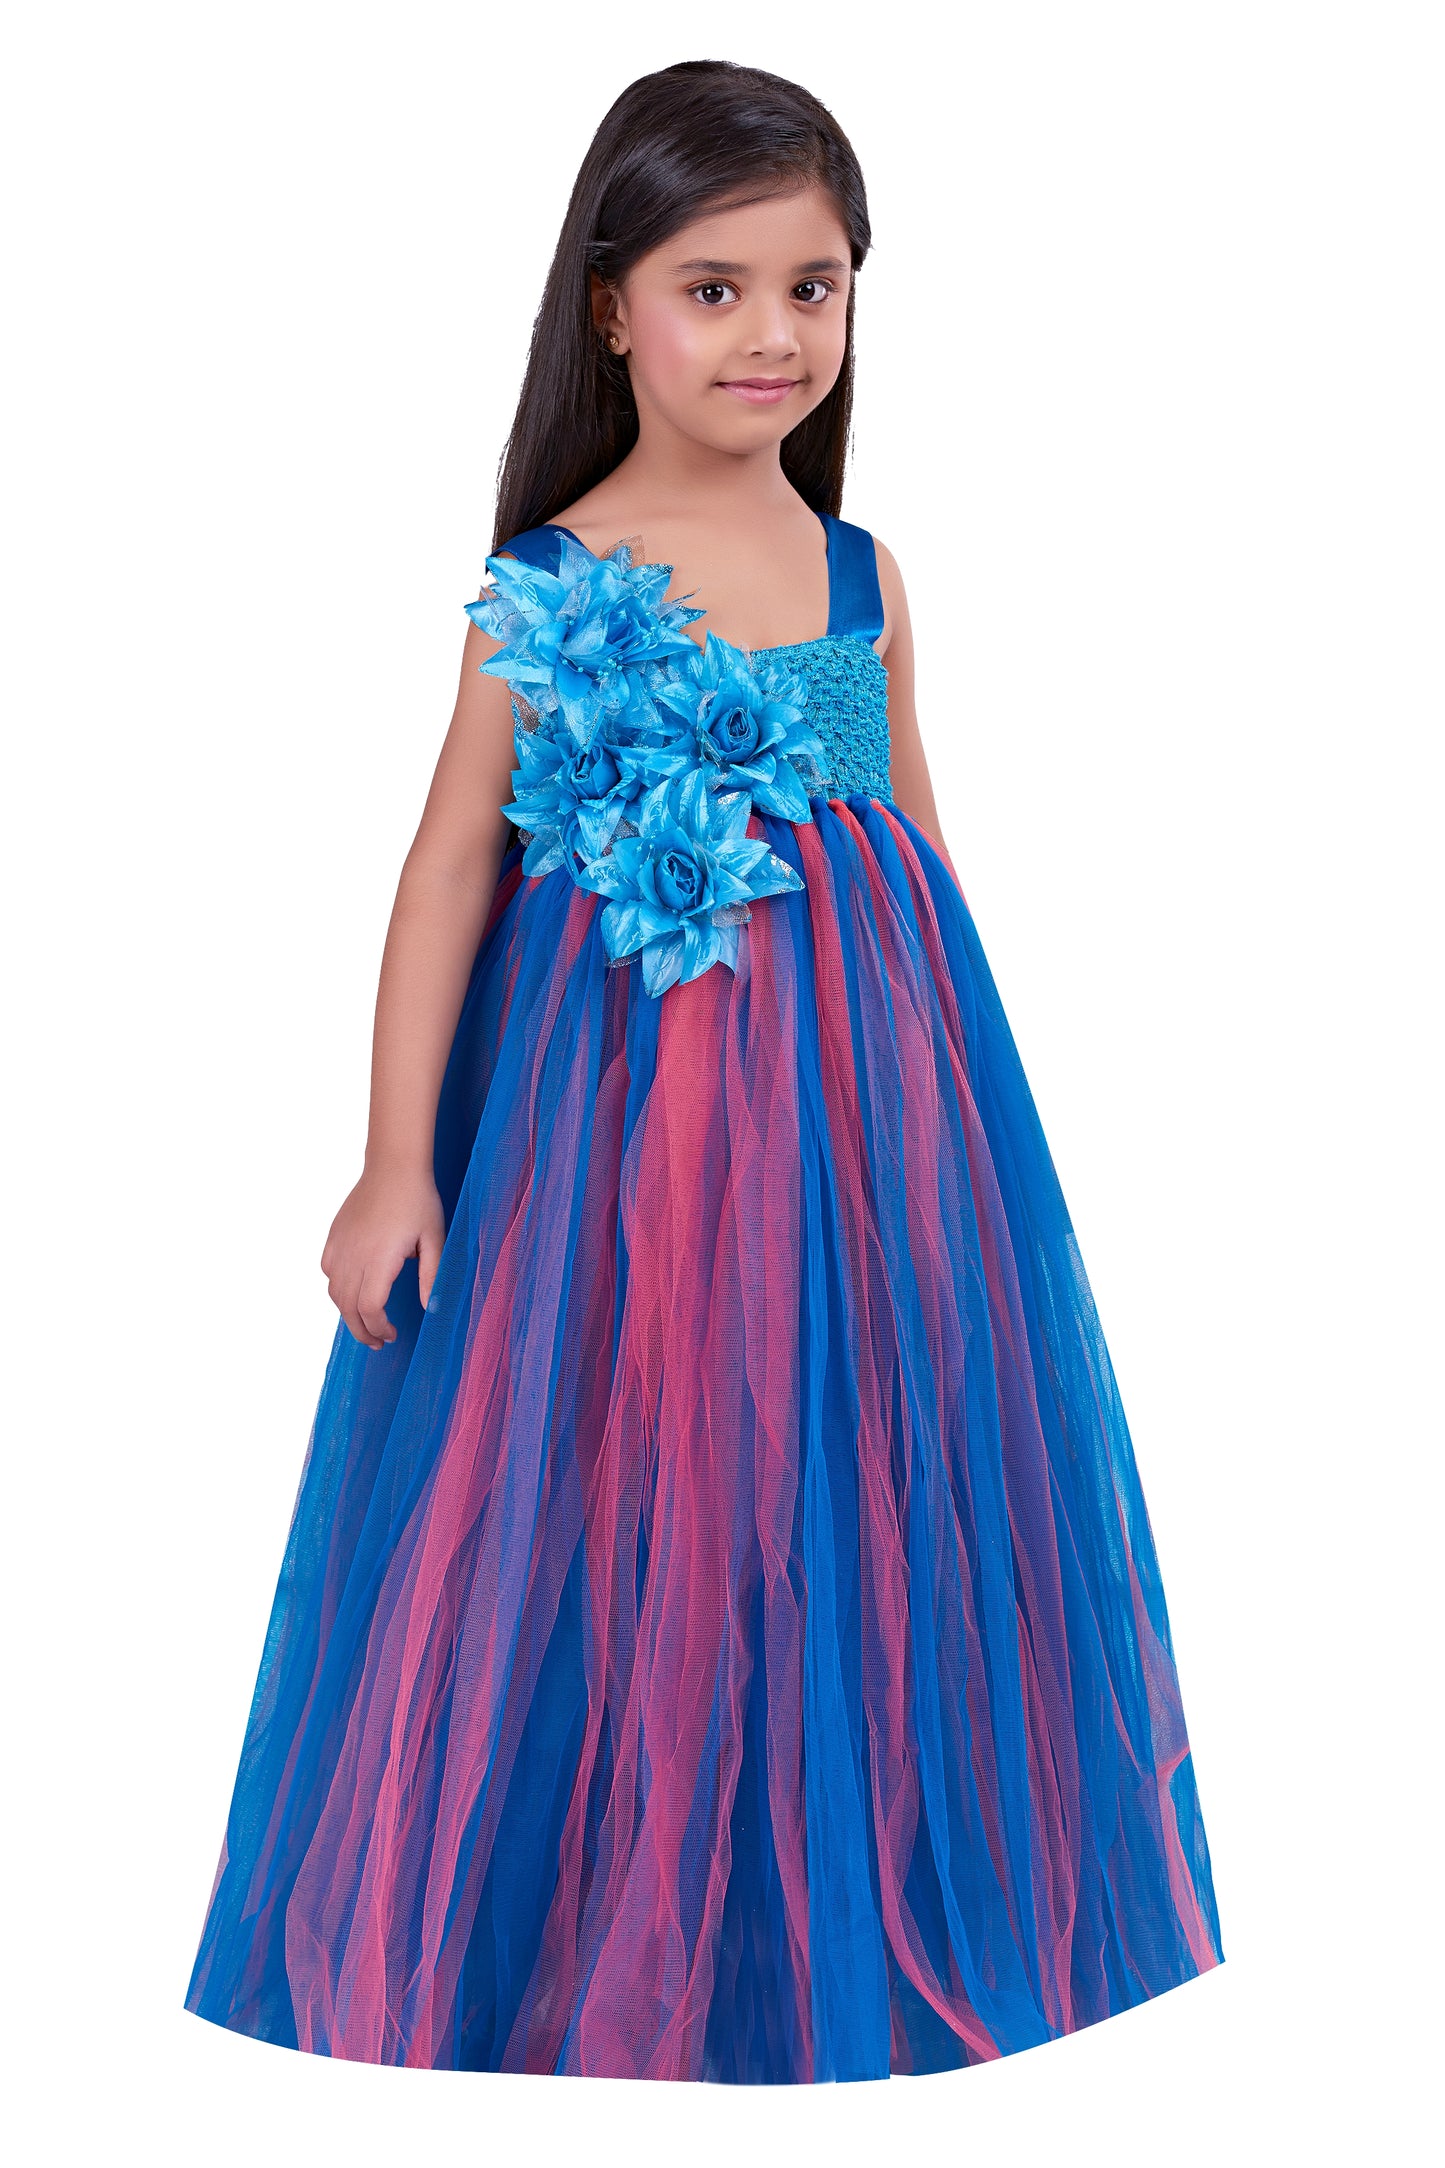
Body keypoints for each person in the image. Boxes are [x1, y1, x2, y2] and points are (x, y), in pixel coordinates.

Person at [183, 58, 1222, 2084]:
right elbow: (449, 868)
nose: (772, 335)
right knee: (610, 1471)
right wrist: (394, 1161)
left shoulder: (859, 571)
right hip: (605, 1138)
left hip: (851, 1128)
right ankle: (573, 1946)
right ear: (611, 309)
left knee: (835, 1474)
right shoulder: (552, 582)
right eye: (714, 288)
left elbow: (911, 842)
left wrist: (954, 1142)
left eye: (812, 288)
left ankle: (833, 1913)